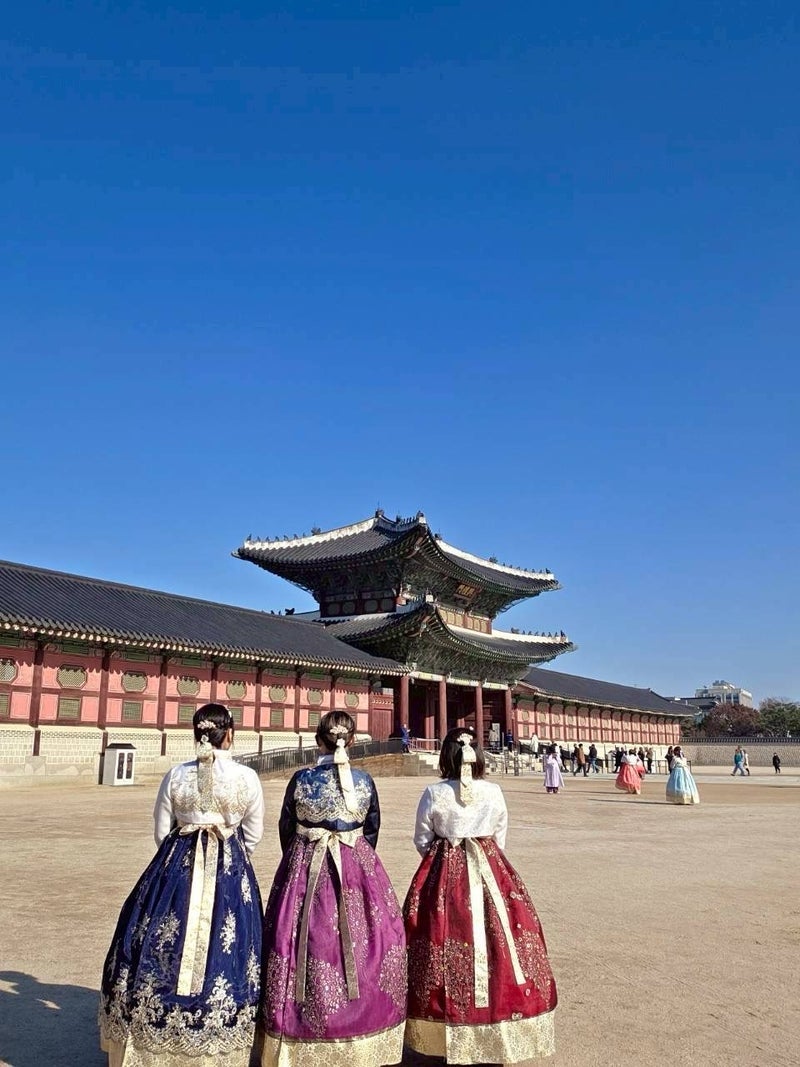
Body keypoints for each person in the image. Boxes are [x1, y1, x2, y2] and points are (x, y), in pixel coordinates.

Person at [99, 704, 265, 1067]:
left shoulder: (176, 774)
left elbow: (162, 830)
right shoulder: (247, 778)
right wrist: (232, 856)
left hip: (176, 868)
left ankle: (151, 1036)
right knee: (232, 947)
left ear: (197, 735)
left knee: (156, 941)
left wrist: (176, 859)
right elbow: (254, 832)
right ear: (230, 734)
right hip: (229, 868)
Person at [257, 710, 405, 1067]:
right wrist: (357, 861)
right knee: (366, 940)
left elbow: (286, 826)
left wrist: (298, 860)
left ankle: (298, 1030)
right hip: (356, 864)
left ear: (317, 740)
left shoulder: (301, 779)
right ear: (351, 741)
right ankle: (363, 1028)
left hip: (306, 865)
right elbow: (372, 828)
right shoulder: (364, 780)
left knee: (299, 940)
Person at [404, 727, 557, 1063]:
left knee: (440, 942)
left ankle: (445, 1025)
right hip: (491, 869)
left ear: (446, 756)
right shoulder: (493, 791)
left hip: (445, 874)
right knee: (500, 943)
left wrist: (443, 862)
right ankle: (498, 1019)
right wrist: (487, 857)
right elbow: (500, 834)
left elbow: (422, 839)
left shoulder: (434, 792)